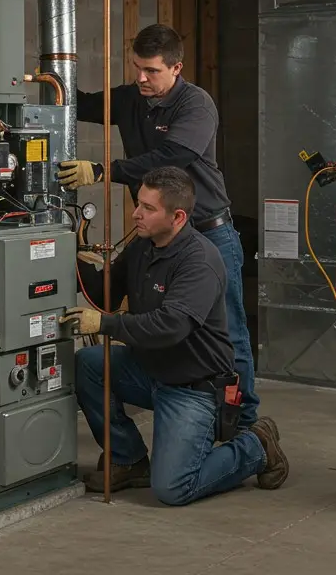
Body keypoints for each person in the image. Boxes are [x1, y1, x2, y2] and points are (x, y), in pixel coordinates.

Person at [59, 24, 258, 430]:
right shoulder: (133, 98)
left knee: (231, 333)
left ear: (176, 67)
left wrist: (100, 169)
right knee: (159, 316)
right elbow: (80, 105)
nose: (141, 78)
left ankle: (244, 424)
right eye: (137, 69)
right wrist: (55, 68)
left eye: (150, 71)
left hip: (208, 231)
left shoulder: (196, 105)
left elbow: (172, 158)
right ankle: (176, 404)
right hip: (159, 232)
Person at [63, 166, 288, 505]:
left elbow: (172, 325)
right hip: (149, 370)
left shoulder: (199, 260)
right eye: (138, 203)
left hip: (192, 387)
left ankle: (256, 445)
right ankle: (128, 459)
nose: (136, 213)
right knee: (88, 364)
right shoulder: (144, 245)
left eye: (148, 208)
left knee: (172, 487)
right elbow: (105, 296)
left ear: (178, 216)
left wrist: (106, 324)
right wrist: (73, 253)